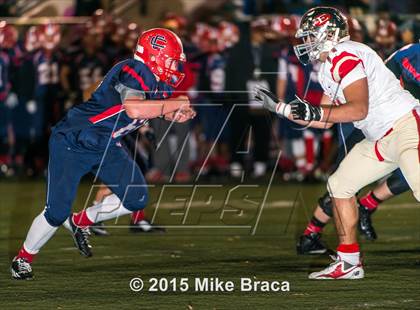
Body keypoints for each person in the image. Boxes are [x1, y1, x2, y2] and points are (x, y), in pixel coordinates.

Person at [11, 28, 196, 280]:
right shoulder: (135, 69)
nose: (175, 66)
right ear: (155, 56)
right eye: (172, 59)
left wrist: (171, 113)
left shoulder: (155, 80)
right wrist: (176, 103)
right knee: (55, 212)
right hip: (74, 140)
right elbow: (133, 108)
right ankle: (23, 259)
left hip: (106, 143)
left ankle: (81, 220)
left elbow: (147, 109)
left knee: (136, 198)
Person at [256, 7, 419, 279]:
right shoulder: (328, 67)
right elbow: (325, 120)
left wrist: (314, 112)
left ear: (327, 35)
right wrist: (282, 109)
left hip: (405, 127)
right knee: (340, 185)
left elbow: (357, 110)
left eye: (309, 36)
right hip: (380, 137)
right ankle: (349, 261)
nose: (305, 42)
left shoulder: (345, 55)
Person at [295, 43, 420, 254]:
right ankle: (313, 233)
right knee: (343, 182)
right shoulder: (411, 54)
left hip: (397, 123)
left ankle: (365, 207)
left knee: (407, 175)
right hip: (378, 121)